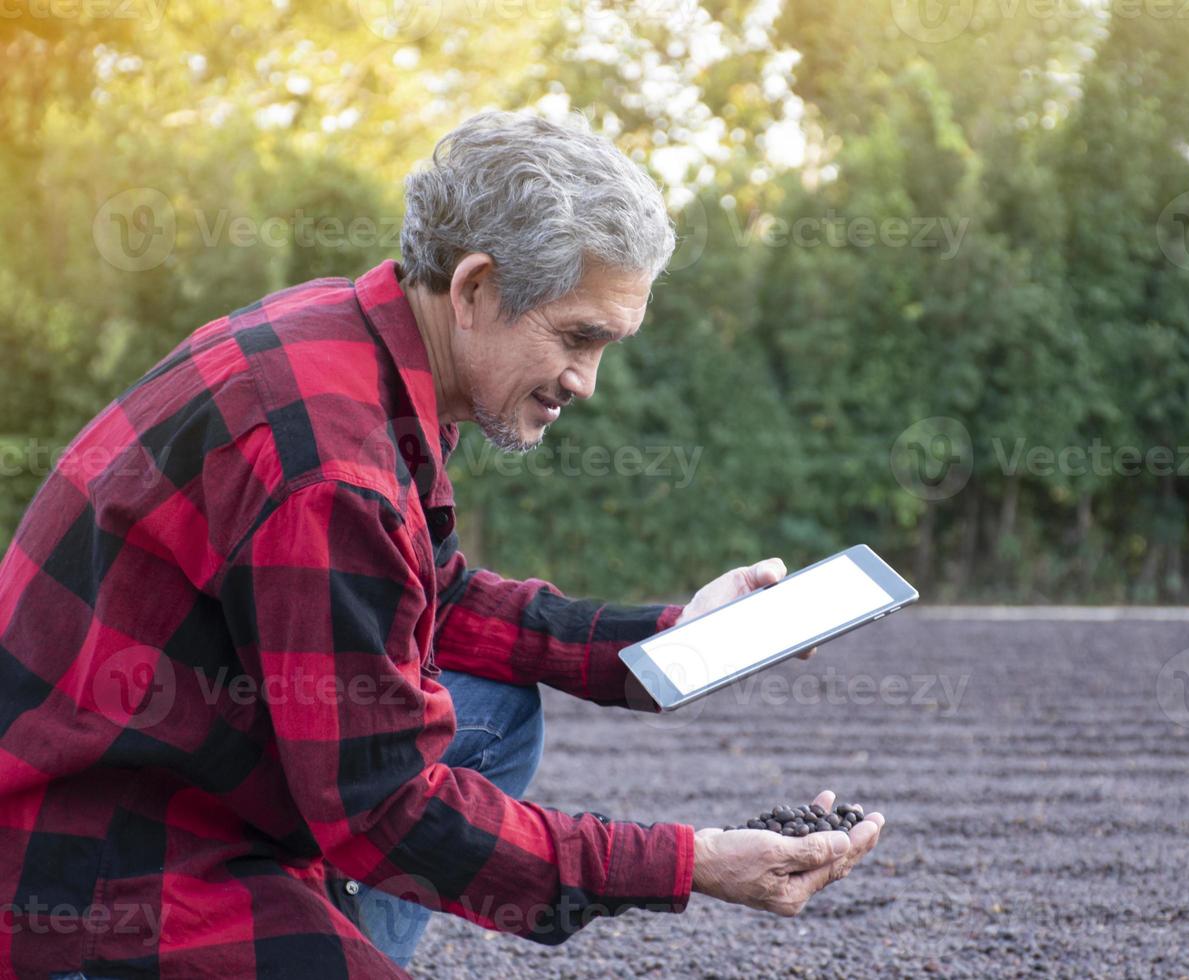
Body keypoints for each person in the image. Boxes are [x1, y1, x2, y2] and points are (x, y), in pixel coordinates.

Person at [0, 111, 883, 978]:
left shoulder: (347, 341)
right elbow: (389, 810)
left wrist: (672, 638)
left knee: (495, 709)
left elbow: (435, 597)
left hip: (172, 765)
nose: (587, 382)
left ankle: (330, 929)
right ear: (473, 290)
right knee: (404, 804)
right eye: (579, 337)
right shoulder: (329, 466)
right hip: (92, 867)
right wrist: (690, 862)